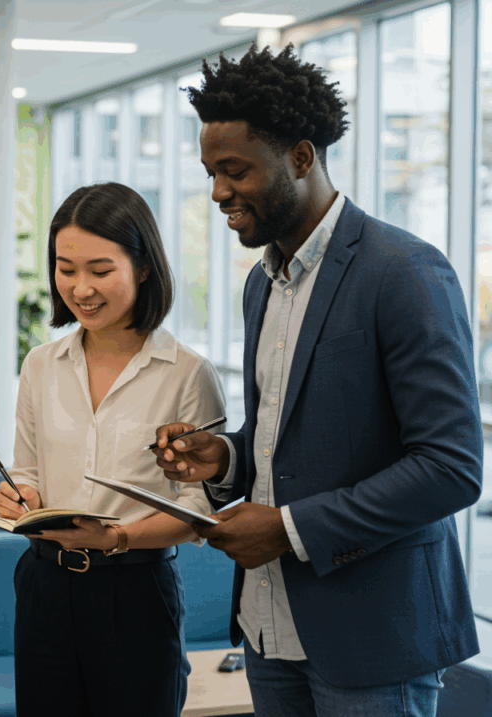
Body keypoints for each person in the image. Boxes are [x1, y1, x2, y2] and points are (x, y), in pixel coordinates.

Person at [153, 45, 482, 716]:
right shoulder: (260, 283)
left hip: (375, 638)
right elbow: (291, 443)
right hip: (272, 629)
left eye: (234, 170)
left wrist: (291, 528)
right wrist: (226, 458)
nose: (218, 191)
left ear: (301, 157)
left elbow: (452, 465)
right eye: (211, 171)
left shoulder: (405, 273)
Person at [0, 182, 225, 717]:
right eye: (65, 269)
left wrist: (118, 536)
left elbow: (200, 511)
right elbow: (25, 469)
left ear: (143, 267)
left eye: (100, 270)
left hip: (137, 591)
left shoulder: (186, 372)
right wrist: (19, 494)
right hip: (44, 586)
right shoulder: (40, 365)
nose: (80, 288)